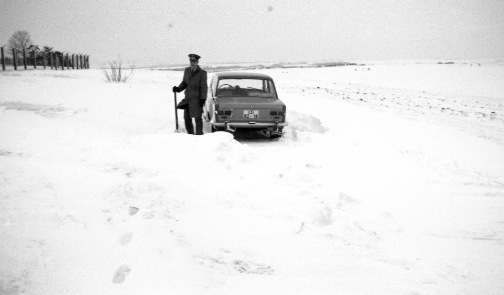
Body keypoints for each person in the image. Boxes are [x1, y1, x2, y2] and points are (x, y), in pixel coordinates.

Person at [173, 54, 208, 135]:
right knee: (187, 118)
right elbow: (184, 83)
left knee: (197, 119)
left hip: (197, 99)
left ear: (197, 62)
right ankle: (190, 135)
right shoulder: (187, 70)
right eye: (191, 61)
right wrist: (178, 89)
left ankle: (199, 135)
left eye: (194, 61)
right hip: (188, 99)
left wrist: (203, 98)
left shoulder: (202, 73)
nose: (192, 63)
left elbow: (204, 87)